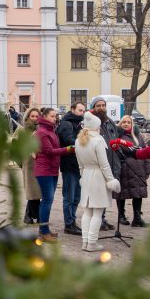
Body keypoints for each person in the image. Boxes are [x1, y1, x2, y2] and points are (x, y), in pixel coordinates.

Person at [75, 111, 120, 252]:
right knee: (97, 212)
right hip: (98, 176)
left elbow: (80, 164)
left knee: (87, 211)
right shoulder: (98, 140)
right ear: (96, 126)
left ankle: (85, 242)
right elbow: (104, 164)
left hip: (86, 175)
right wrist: (111, 179)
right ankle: (92, 242)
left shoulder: (78, 140)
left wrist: (83, 176)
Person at [34, 107, 74, 242]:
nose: (55, 118)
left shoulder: (51, 130)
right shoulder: (42, 132)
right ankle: (44, 232)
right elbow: (50, 151)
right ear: (44, 116)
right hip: (44, 170)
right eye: (52, 116)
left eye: (56, 116)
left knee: (47, 201)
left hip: (52, 170)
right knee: (47, 200)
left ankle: (44, 230)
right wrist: (68, 149)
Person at [88, 97, 124, 231]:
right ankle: (96, 220)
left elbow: (116, 139)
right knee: (97, 194)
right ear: (93, 107)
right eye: (98, 105)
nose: (101, 108)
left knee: (106, 194)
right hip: (98, 164)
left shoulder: (110, 123)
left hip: (112, 162)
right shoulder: (91, 124)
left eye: (103, 105)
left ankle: (102, 218)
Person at [111, 113, 150, 227]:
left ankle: (137, 218)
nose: (126, 124)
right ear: (120, 124)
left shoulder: (138, 136)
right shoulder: (117, 137)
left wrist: (147, 169)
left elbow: (145, 152)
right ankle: (121, 216)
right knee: (121, 194)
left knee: (138, 193)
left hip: (139, 169)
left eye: (128, 122)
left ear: (132, 124)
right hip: (124, 169)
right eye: (124, 122)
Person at [56, 101, 86, 235]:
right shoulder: (66, 123)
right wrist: (85, 143)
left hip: (78, 165)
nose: (82, 113)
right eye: (80, 110)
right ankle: (69, 223)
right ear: (72, 109)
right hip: (69, 165)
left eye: (83, 111)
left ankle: (72, 221)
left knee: (77, 196)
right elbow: (69, 140)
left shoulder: (79, 123)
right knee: (69, 196)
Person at [14, 108, 42, 225]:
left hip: (40, 164)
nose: (35, 119)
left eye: (37, 116)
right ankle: (31, 216)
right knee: (33, 191)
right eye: (32, 116)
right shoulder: (22, 131)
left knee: (38, 192)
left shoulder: (41, 129)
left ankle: (32, 215)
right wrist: (22, 163)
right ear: (27, 117)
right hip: (29, 164)